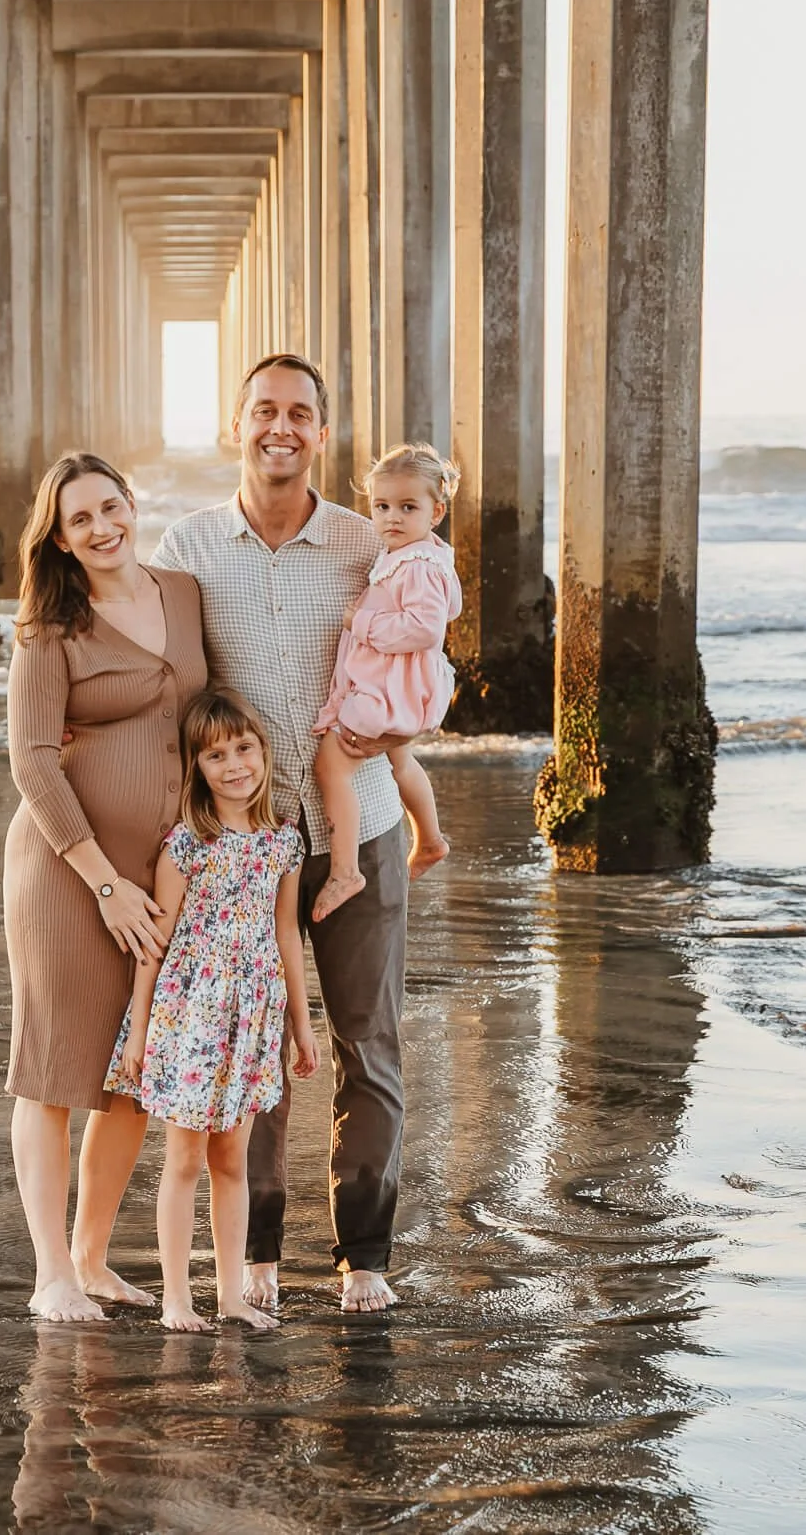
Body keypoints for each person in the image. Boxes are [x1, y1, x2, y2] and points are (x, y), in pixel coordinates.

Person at [150, 351, 414, 1315]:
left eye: (300, 413)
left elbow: (429, 664)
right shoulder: (185, 548)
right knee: (250, 1043)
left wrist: (396, 733)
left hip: (363, 824)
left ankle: (364, 1254)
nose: (281, 427)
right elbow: (161, 687)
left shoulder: (367, 544)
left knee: (366, 1044)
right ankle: (256, 1250)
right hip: (241, 843)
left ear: (324, 431)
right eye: (264, 409)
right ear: (235, 424)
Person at [4, 452, 207, 1322]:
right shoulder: (52, 627)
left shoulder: (184, 593)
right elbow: (32, 761)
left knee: (135, 1067)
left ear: (134, 505)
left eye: (111, 506)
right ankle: (50, 1270)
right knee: (53, 1069)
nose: (101, 527)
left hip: (165, 867)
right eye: (80, 517)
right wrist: (103, 884)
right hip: (66, 872)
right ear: (57, 535)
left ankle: (92, 1257)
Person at [105, 689, 321, 1333]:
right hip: (191, 1014)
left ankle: (230, 1295)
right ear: (198, 768)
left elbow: (287, 936)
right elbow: (155, 945)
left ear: (263, 751)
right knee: (185, 1161)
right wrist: (139, 1032)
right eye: (217, 755)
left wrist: (303, 1028)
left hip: (254, 1016)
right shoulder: (187, 845)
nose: (235, 765)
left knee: (232, 1161)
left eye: (244, 749)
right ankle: (177, 1298)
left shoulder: (285, 843)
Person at [309, 442, 462, 922]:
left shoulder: (415, 564)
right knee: (402, 762)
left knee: (331, 770)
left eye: (407, 507)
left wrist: (363, 623)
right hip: (396, 686)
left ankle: (345, 869)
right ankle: (431, 839)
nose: (391, 518)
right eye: (382, 507)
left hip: (384, 693)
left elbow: (427, 627)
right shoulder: (420, 554)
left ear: (436, 511)